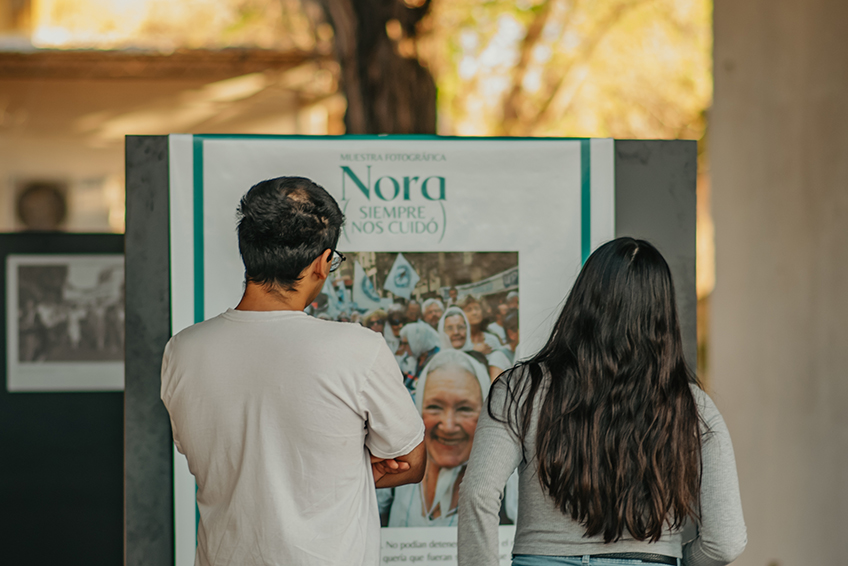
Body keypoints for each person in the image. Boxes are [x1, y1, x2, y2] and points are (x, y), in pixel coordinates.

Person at [161, 177, 426, 566]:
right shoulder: (357, 349)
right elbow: (413, 461)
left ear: (247, 252)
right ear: (322, 262)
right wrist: (349, 466)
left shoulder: (182, 350)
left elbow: (209, 455)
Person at [457, 238, 746, 566]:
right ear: (663, 314)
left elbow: (477, 494)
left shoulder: (521, 388)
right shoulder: (692, 405)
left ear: (584, 301)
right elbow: (726, 541)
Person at [382, 350, 490, 527]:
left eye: (465, 409)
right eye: (434, 407)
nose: (448, 426)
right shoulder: (396, 472)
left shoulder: (509, 493)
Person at [397, 322, 442, 392]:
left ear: (417, 341)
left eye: (405, 343)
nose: (403, 347)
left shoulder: (437, 360)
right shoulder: (417, 357)